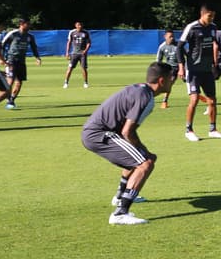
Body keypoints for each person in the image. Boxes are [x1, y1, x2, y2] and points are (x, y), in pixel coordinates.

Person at [81, 61, 172, 225]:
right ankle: (120, 213)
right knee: (145, 164)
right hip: (99, 134)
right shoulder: (145, 97)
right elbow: (127, 132)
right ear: (161, 81)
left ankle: (119, 197)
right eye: (171, 78)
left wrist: (141, 150)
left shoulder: (140, 90)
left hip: (97, 132)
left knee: (135, 160)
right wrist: (145, 151)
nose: (173, 81)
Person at [178, 5, 221, 141]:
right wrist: (181, 67)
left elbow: (214, 45)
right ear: (202, 14)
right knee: (194, 99)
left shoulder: (213, 27)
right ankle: (189, 130)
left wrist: (214, 64)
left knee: (212, 101)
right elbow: (179, 47)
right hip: (193, 70)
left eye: (213, 16)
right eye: (210, 16)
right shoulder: (192, 27)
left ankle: (213, 129)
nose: (212, 18)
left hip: (207, 70)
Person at [0, 18, 42, 109]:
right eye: (27, 24)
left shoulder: (30, 36)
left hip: (21, 61)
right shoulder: (13, 33)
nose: (29, 26)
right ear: (21, 24)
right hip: (11, 60)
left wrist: (37, 57)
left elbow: (34, 47)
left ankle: (12, 100)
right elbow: (2, 44)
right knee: (10, 81)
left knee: (19, 83)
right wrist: (2, 58)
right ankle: (7, 99)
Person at [155, 30, 180, 108]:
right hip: (171, 68)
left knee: (191, 82)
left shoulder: (178, 45)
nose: (172, 38)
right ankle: (164, 101)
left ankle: (199, 97)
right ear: (165, 37)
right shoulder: (162, 47)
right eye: (170, 37)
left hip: (182, 67)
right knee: (170, 83)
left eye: (173, 36)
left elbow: (187, 55)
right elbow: (158, 60)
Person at [63, 21, 92, 88]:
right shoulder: (72, 32)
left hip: (82, 54)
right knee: (70, 68)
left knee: (84, 68)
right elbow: (69, 42)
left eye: (80, 25)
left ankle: (85, 83)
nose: (79, 26)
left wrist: (85, 50)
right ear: (75, 26)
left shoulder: (86, 32)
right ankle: (66, 82)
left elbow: (89, 43)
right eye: (78, 25)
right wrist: (67, 52)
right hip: (74, 54)